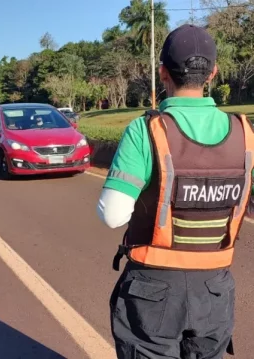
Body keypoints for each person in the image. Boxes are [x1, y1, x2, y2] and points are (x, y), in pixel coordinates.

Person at [96, 24, 254, 359]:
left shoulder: (145, 130)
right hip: (214, 288)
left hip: (152, 288)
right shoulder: (245, 133)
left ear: (163, 73)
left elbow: (112, 215)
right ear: (213, 72)